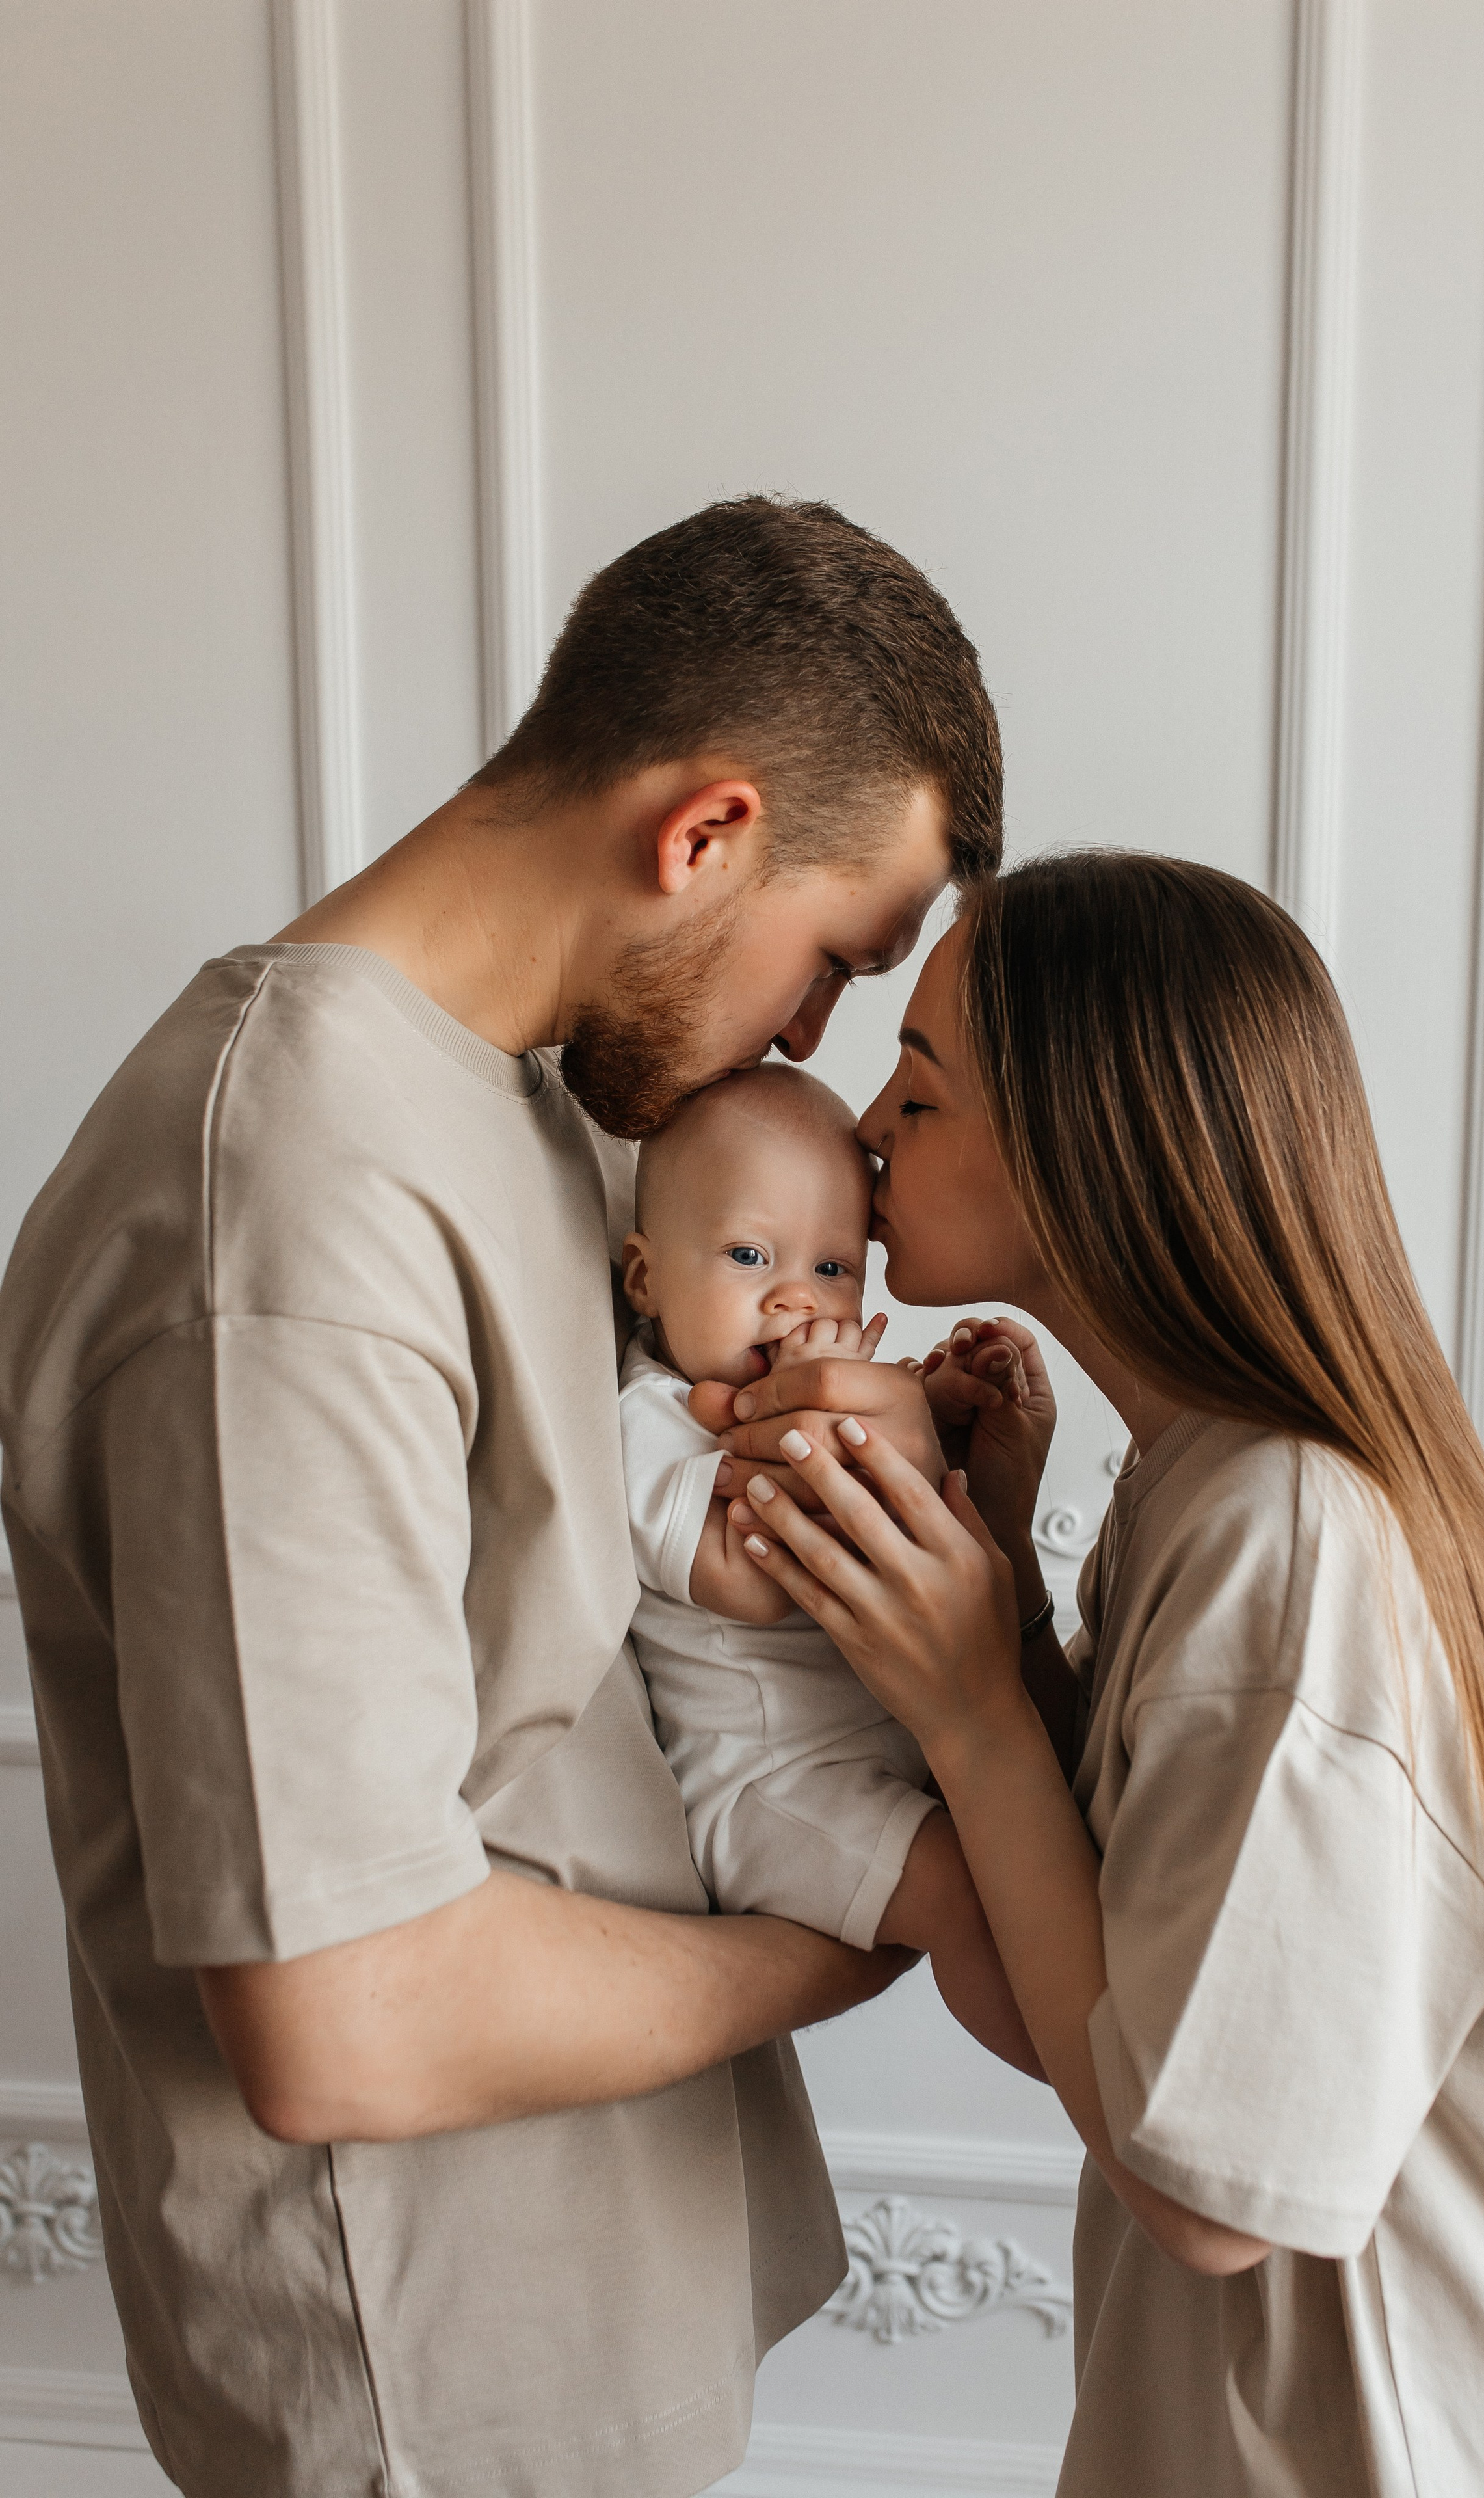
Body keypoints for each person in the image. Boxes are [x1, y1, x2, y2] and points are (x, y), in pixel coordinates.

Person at [0, 496, 1001, 2498]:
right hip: (435, 2388)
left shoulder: (538, 1108)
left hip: (577, 2300)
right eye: (832, 962)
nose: (812, 1045)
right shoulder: (279, 1222)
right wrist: (856, 1946)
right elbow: (340, 2016)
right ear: (705, 832)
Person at [719, 850, 1484, 2495]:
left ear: (1085, 1148)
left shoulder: (1288, 1533)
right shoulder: (1202, 1483)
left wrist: (973, 1707)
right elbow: (1116, 1990)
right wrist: (1002, 1610)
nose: (863, 1130)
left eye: (920, 1094)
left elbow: (1214, 2191)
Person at [618, 1061, 1037, 2071]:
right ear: (645, 1278)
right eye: (750, 1255)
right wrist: (852, 1434)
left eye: (834, 1269)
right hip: (771, 1788)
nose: (793, 1300)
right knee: (965, 1895)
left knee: (1038, 1849)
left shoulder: (812, 1397)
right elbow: (753, 1581)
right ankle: (1071, 2061)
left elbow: (881, 1491)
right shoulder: (653, 1423)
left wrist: (931, 1413)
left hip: (881, 1749)